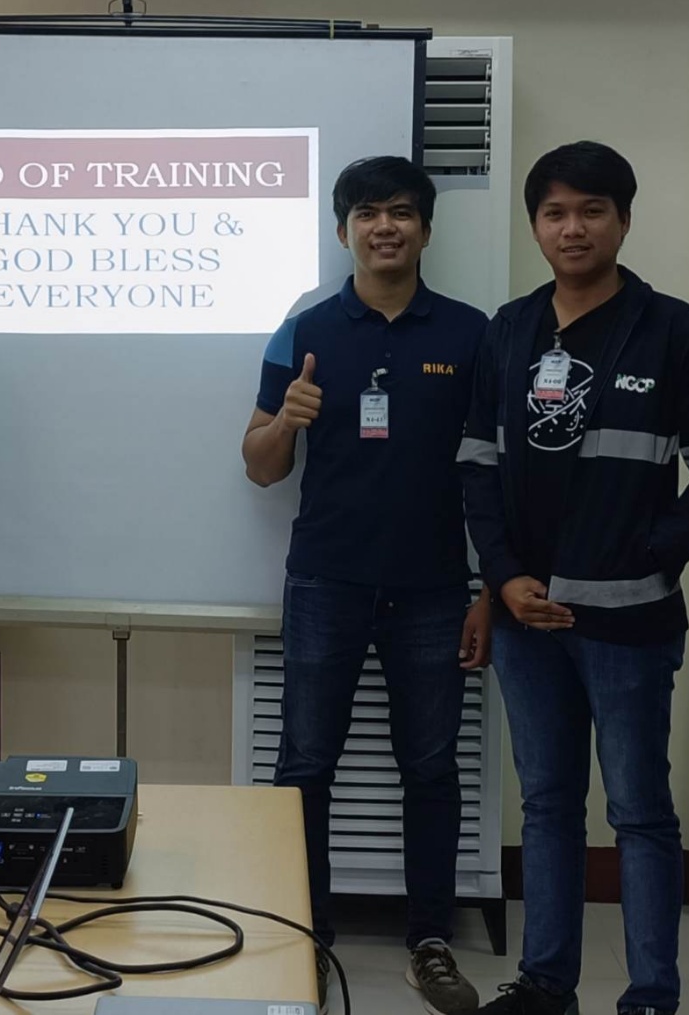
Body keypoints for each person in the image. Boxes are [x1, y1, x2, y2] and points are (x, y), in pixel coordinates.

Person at [459, 142, 689, 1015]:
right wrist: (503, 578)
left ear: (623, 220)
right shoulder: (508, 330)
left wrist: (652, 553)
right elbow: (478, 467)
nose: (572, 228)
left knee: (640, 811)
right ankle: (546, 984)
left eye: (591, 211)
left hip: (630, 623)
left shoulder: (675, 330)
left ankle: (650, 994)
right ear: (535, 225)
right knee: (546, 805)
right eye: (554, 213)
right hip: (526, 621)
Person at [242, 156, 489, 1015]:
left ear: (426, 228)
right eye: (369, 212)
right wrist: (286, 420)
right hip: (326, 581)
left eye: (403, 211)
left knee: (431, 767)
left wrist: (489, 586)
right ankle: (308, 937)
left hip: (434, 587)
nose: (386, 226)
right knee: (304, 764)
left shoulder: (471, 333)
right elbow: (260, 466)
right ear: (343, 229)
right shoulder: (304, 329)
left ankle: (429, 942)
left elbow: (497, 474)